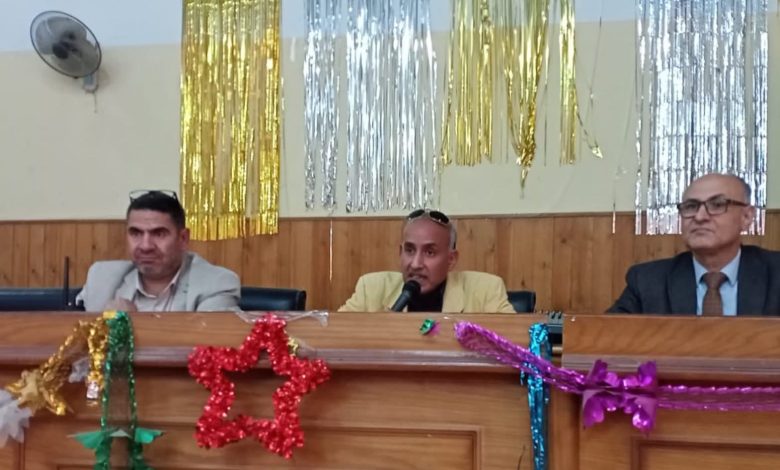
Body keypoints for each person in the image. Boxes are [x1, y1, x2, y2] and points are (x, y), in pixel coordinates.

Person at [609, 173, 780, 315]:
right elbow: (608, 336)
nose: (699, 217)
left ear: (746, 217)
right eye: (691, 206)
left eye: (717, 205)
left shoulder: (776, 274)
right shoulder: (647, 280)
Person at [76, 190, 240, 312]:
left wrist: (128, 326)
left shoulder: (216, 284)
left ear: (183, 238)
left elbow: (207, 344)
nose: (145, 246)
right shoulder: (102, 278)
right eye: (136, 233)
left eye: (159, 234)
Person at [339, 209, 516, 313]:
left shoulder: (485, 291)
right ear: (400, 253)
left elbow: (514, 346)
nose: (416, 264)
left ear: (451, 259)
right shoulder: (370, 289)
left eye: (430, 252)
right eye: (409, 250)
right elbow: (333, 334)